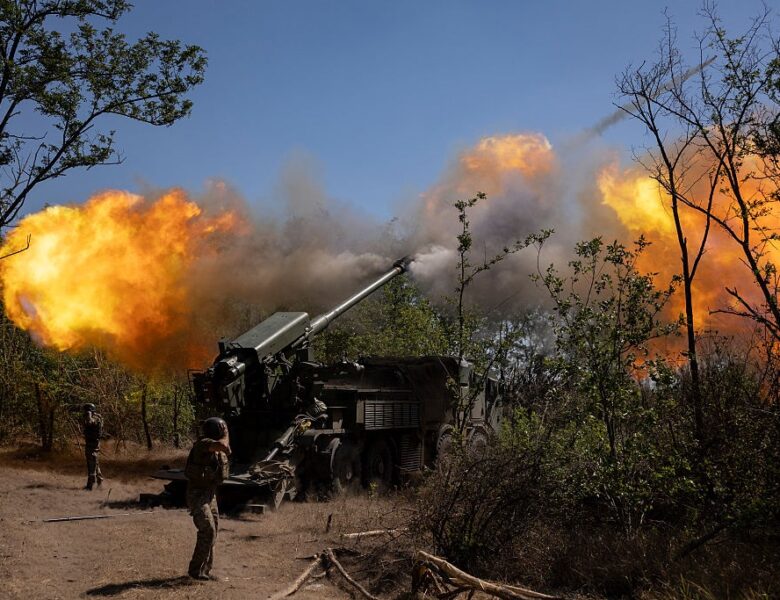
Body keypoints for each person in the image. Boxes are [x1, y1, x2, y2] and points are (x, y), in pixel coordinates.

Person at [184, 417, 231, 581]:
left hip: (210, 495)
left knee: (213, 532)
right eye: (222, 429)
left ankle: (205, 571)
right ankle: (195, 571)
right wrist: (226, 432)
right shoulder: (203, 444)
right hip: (197, 496)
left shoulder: (214, 447)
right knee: (208, 530)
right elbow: (224, 445)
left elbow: (227, 450)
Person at [82, 403, 104, 490]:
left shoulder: (95, 418)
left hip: (93, 443)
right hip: (93, 442)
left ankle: (90, 484)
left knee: (91, 463)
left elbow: (90, 422)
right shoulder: (98, 417)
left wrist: (89, 415)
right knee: (95, 462)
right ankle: (100, 480)